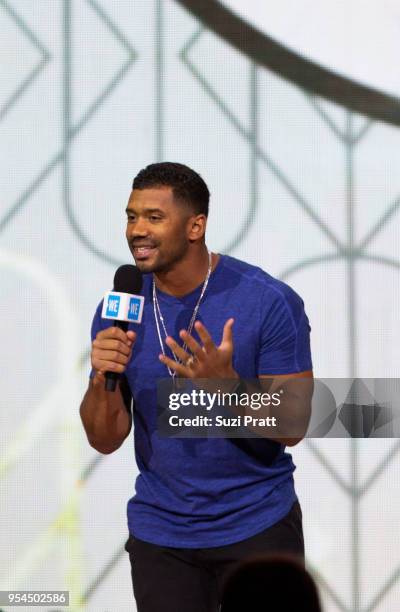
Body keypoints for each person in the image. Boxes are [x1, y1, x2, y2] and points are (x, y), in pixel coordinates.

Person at [79, 162, 313, 612]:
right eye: (131, 216)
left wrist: (226, 388)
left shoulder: (266, 300)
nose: (137, 231)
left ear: (195, 226)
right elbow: (104, 438)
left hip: (257, 524)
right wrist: (99, 377)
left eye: (153, 217)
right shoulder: (120, 310)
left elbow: (296, 423)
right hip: (161, 535)